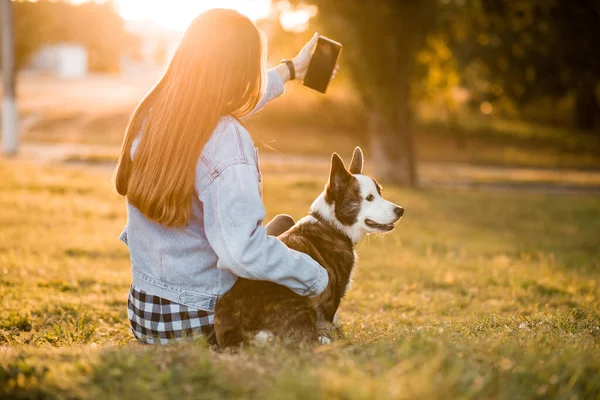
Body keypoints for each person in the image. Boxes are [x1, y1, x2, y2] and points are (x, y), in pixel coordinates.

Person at [114, 8, 337, 345]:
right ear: (240, 73)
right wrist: (317, 277)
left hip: (146, 316)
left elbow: (232, 102)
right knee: (293, 243)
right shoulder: (225, 140)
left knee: (281, 226)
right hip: (204, 320)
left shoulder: (154, 115)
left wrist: (291, 70)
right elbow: (242, 253)